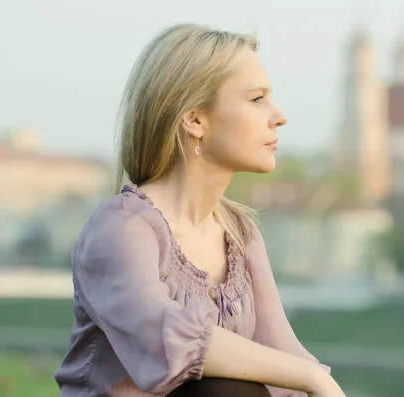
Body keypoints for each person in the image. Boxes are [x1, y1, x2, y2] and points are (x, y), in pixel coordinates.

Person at [54, 23, 347, 397]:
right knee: (221, 389)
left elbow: (282, 356)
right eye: (257, 99)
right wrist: (311, 377)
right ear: (195, 120)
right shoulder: (123, 227)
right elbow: (169, 343)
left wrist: (313, 380)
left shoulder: (240, 233)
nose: (279, 116)